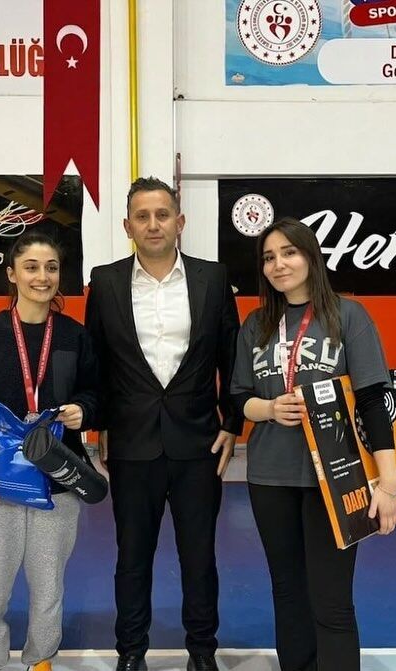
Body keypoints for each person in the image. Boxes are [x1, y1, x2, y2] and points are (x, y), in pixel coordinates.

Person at [230, 217, 396, 671]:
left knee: (331, 599)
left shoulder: (348, 316)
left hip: (337, 478)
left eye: (289, 252)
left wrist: (388, 485)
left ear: (310, 256)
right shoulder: (256, 324)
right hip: (270, 477)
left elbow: (374, 401)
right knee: (288, 594)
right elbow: (239, 397)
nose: (278, 264)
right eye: (269, 257)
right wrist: (269, 409)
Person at [85, 177, 242, 671]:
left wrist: (233, 422)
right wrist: (101, 425)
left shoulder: (213, 279)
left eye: (162, 214)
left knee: (200, 557)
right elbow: (97, 363)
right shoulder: (105, 282)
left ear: (180, 221)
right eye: (142, 216)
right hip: (132, 444)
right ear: (127, 226)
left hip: (199, 442)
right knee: (132, 558)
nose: (153, 224)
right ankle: (131, 652)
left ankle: (203, 653)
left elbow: (232, 356)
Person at [0, 231, 97, 671]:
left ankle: (41, 658)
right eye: (31, 267)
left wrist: (84, 410)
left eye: (51, 268)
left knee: (49, 584)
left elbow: (95, 392)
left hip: (57, 479)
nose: (42, 277)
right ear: (12, 274)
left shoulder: (74, 336)